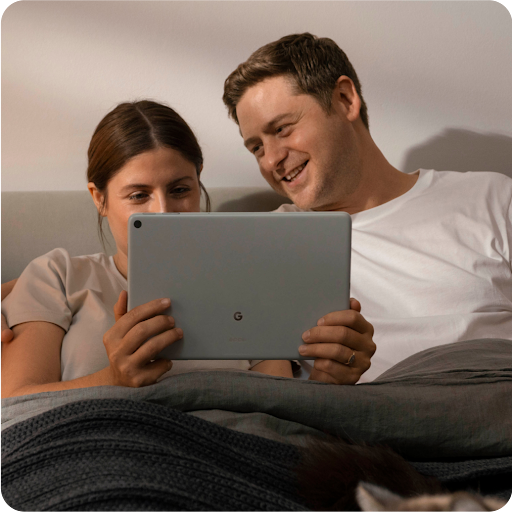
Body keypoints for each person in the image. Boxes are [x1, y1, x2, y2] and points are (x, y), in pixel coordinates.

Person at [0, 100, 375, 399]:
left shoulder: (248, 279)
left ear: (198, 184)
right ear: (99, 199)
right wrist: (111, 379)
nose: (163, 212)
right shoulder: (58, 275)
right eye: (138, 195)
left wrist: (327, 383)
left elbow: (276, 406)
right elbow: (14, 402)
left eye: (180, 190)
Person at [222, 32, 512, 382]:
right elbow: (274, 410)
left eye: (282, 129)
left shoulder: (491, 198)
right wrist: (328, 384)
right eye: (256, 148)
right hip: (358, 427)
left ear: (345, 100)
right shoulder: (265, 244)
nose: (272, 160)